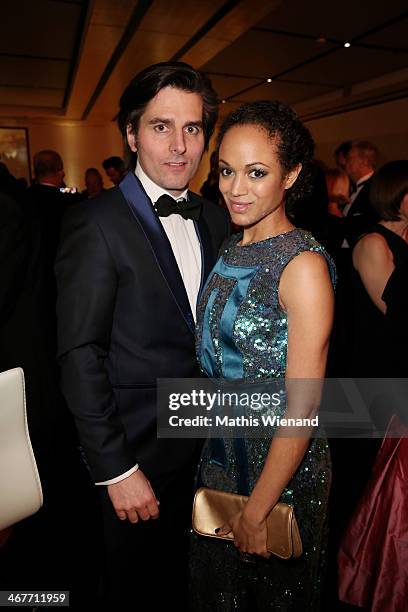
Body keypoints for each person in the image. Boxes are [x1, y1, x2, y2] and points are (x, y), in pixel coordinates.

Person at [55, 61, 229, 609]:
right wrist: (116, 469)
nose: (179, 146)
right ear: (131, 134)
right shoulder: (97, 223)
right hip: (138, 459)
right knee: (134, 590)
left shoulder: (217, 220)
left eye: (193, 128)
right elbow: (79, 353)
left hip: (209, 451)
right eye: (160, 126)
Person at [191, 100, 335, 611]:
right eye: (226, 171)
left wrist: (258, 508)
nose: (235, 188)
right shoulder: (231, 247)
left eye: (256, 173)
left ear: (291, 174)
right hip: (221, 452)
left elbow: (302, 406)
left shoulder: (302, 266)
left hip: (280, 468)